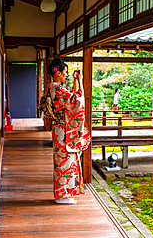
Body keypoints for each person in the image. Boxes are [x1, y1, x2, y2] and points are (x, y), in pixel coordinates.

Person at [46, 59, 90, 204]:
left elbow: (70, 98)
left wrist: (77, 81)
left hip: (60, 129)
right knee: (66, 162)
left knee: (63, 163)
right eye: (65, 73)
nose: (66, 76)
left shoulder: (54, 88)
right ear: (58, 73)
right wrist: (81, 81)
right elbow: (77, 102)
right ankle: (62, 195)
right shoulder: (58, 89)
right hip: (65, 132)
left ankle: (63, 193)